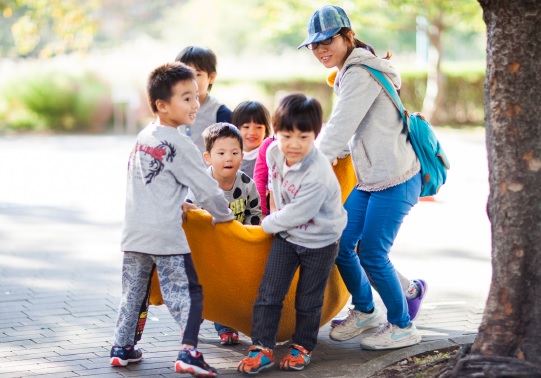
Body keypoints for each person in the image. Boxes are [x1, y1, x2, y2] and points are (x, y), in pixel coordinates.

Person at [298, 4, 424, 350]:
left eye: (328, 41)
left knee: (371, 253)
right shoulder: (352, 69)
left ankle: (402, 325)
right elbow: (344, 133)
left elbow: (338, 130)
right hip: (371, 178)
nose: (321, 50)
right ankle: (366, 309)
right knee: (340, 241)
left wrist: (302, 173)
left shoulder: (359, 73)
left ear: (347, 36)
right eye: (314, 45)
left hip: (396, 177)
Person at [110, 61, 234, 377]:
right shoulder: (179, 143)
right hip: (166, 235)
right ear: (162, 105)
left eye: (196, 96)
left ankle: (122, 348)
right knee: (187, 293)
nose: (195, 104)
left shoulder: (143, 136)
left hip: (134, 233)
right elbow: (206, 188)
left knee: (133, 293)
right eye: (186, 98)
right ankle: (189, 353)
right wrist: (224, 216)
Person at [237, 94, 347, 374]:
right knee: (268, 293)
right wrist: (273, 216)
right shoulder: (273, 152)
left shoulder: (318, 172)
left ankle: (302, 346)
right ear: (276, 132)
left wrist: (266, 225)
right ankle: (262, 347)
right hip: (287, 235)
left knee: (308, 299)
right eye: (286, 135)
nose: (294, 144)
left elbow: (299, 212)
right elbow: (275, 189)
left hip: (320, 241)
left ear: (315, 135)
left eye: (303, 136)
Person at [184, 122, 262, 345]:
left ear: (242, 155)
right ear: (208, 158)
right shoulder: (201, 185)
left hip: (235, 246)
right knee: (203, 288)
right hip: (208, 247)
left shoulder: (247, 185)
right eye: (221, 153)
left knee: (228, 289)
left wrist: (247, 237)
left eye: (234, 153)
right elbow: (191, 215)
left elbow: (254, 213)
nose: (228, 158)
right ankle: (191, 324)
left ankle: (225, 326)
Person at [175, 46, 232, 154]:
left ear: (211, 77)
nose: (190, 79)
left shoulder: (221, 114)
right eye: (184, 73)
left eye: (197, 74)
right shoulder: (171, 108)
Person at [231, 101, 272, 178]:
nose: (252, 132)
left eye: (259, 127)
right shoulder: (229, 155)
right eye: (246, 127)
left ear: (266, 130)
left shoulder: (270, 155)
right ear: (236, 128)